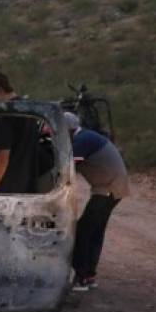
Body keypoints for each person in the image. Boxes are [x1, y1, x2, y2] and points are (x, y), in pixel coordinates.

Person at [65, 112, 130, 291]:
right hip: (114, 187)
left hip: (108, 188)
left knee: (83, 231)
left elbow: (68, 166)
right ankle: (90, 276)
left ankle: (81, 278)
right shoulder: (87, 136)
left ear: (68, 130)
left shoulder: (82, 140)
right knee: (95, 232)